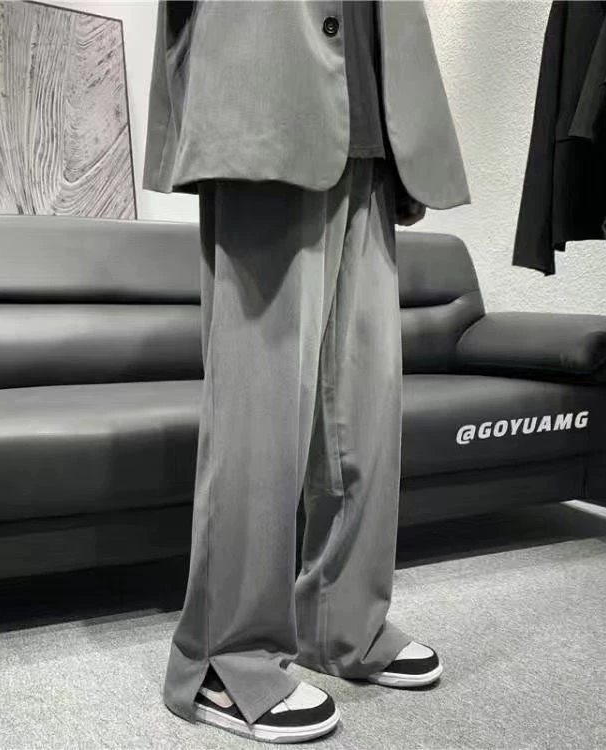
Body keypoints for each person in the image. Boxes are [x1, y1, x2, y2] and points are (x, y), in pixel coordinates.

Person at [142, 0, 470, 742]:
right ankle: (224, 658)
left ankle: (341, 620)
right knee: (261, 402)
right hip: (267, 94)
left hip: (372, 120)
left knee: (367, 404)